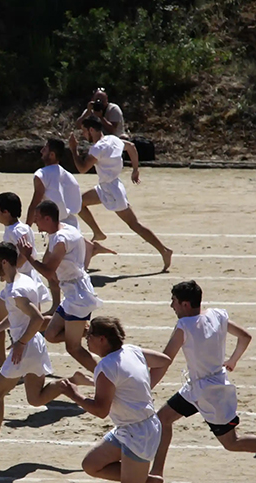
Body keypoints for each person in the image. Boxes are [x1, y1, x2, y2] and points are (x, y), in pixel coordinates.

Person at [149, 280, 256, 483]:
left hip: (211, 394)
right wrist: (233, 360)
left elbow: (165, 361)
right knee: (163, 419)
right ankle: (156, 475)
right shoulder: (217, 315)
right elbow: (245, 336)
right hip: (198, 388)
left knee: (232, 443)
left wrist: (145, 387)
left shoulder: (184, 326)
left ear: (185, 304)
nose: (171, 306)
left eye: (173, 301)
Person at [58, 316, 189, 483]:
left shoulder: (106, 368)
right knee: (91, 464)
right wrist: (141, 385)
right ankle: (145, 478)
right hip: (131, 428)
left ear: (101, 339)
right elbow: (163, 360)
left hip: (139, 432)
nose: (86, 341)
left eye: (89, 337)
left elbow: (100, 410)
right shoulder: (131, 350)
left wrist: (74, 395)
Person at [0, 241, 81, 455]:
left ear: (4, 262)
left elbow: (36, 318)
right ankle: (67, 384)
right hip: (34, 345)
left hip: (25, 348)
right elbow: (18, 316)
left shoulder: (15, 291)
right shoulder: (25, 281)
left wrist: (19, 344)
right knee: (35, 398)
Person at [71, 116, 173, 271]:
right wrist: (135, 169)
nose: (84, 135)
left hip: (112, 190)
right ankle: (98, 233)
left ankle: (164, 250)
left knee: (134, 224)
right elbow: (131, 147)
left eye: (84, 131)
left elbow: (82, 168)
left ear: (92, 130)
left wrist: (73, 150)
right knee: (78, 202)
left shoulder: (97, 148)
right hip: (109, 186)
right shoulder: (113, 139)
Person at [17, 201, 102, 376]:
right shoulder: (68, 229)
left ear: (47, 218)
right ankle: (86, 331)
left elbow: (48, 271)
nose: (35, 222)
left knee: (73, 347)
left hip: (78, 297)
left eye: (37, 219)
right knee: (51, 334)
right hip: (74, 291)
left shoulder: (60, 240)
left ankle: (104, 375)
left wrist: (28, 257)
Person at [28, 139, 112, 306]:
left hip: (56, 226)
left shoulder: (41, 174)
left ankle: (58, 306)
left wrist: (26, 227)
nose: (41, 152)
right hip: (71, 225)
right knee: (71, 271)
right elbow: (77, 205)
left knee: (50, 268)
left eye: (44, 149)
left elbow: (35, 202)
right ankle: (89, 246)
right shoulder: (69, 176)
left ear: (52, 154)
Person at [0, 192, 50, 370]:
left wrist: (6, 271)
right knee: (24, 322)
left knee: (31, 323)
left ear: (5, 212)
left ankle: (7, 360)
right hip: (16, 281)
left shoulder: (18, 231)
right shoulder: (13, 229)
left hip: (22, 283)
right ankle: (5, 358)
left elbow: (26, 257)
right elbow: (9, 255)